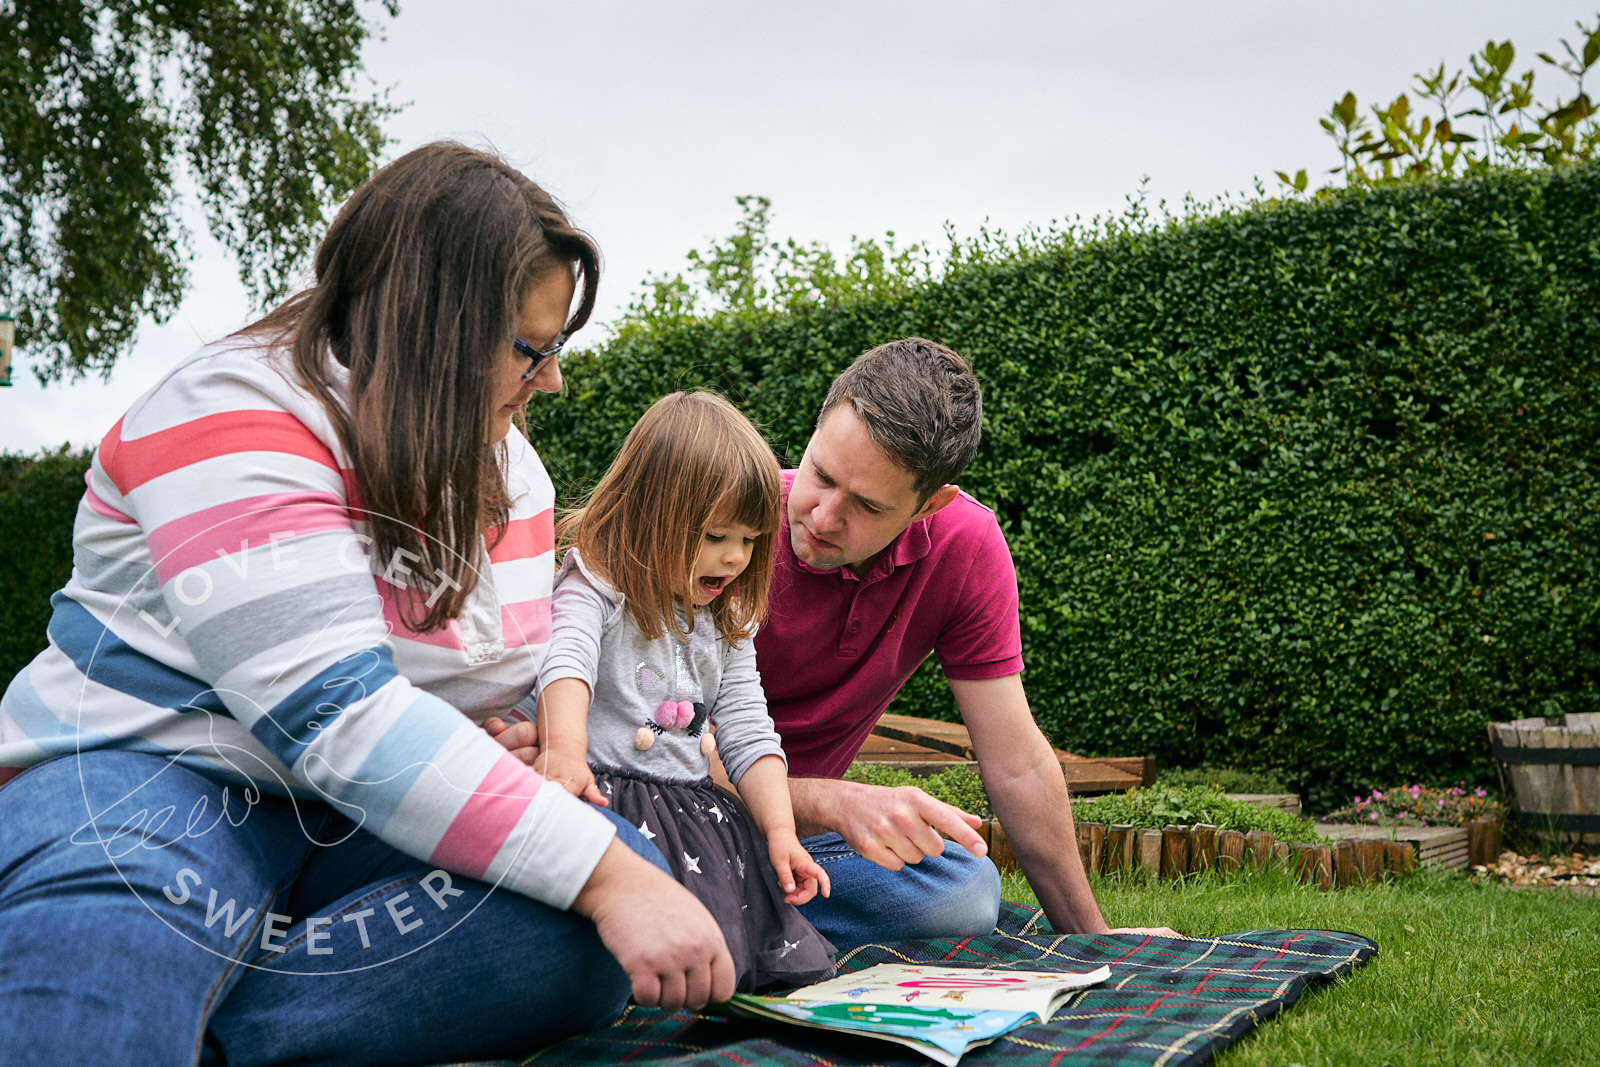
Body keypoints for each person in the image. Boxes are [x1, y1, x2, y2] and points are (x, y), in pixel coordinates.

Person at [0, 142, 734, 1066]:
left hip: (345, 817)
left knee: (603, 916)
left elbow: (469, 683)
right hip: (149, 774)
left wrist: (496, 737)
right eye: (531, 349)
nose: (551, 379)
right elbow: (339, 712)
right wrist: (600, 867)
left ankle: (209, 1026)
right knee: (104, 952)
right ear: (432, 327)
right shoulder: (230, 413)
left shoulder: (510, 470)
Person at [753, 337, 1177, 944]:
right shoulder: (729, 521)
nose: (821, 518)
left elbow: (1017, 760)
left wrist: (1091, 937)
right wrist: (836, 803)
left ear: (929, 505)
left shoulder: (965, 547)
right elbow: (661, 744)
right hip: (676, 815)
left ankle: (718, 922)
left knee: (963, 890)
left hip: (796, 849)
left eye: (868, 506)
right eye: (820, 475)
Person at [531, 389, 836, 992]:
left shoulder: (724, 623)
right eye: (717, 534)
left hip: (696, 813)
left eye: (749, 540)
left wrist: (778, 831)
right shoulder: (598, 585)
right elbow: (566, 662)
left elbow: (749, 728)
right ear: (650, 514)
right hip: (606, 798)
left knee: (729, 957)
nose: (735, 557)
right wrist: (563, 751)